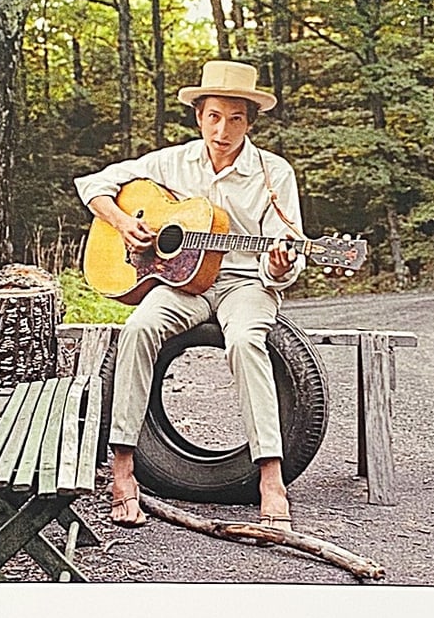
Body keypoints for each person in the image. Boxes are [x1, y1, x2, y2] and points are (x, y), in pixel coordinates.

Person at [74, 60, 306, 528]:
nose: (223, 129)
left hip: (245, 283)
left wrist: (280, 264)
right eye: (214, 116)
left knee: (244, 342)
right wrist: (124, 224)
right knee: (138, 328)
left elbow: (288, 248)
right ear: (199, 116)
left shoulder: (272, 173)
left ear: (250, 121)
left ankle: (270, 477)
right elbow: (93, 185)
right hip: (184, 285)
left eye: (236, 118)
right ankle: (123, 471)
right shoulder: (170, 163)